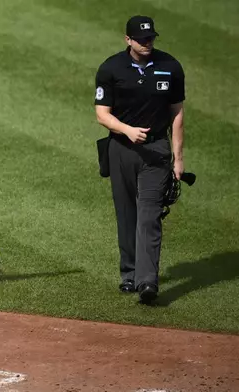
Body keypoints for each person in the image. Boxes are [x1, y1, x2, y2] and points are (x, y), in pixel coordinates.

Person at [94, 15, 185, 304]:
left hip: (157, 151)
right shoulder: (111, 68)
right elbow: (102, 113)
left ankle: (148, 282)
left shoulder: (170, 67)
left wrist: (178, 159)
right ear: (128, 40)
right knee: (126, 214)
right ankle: (129, 274)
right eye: (142, 39)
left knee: (149, 215)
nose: (147, 43)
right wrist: (127, 131)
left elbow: (177, 113)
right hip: (121, 148)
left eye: (151, 38)